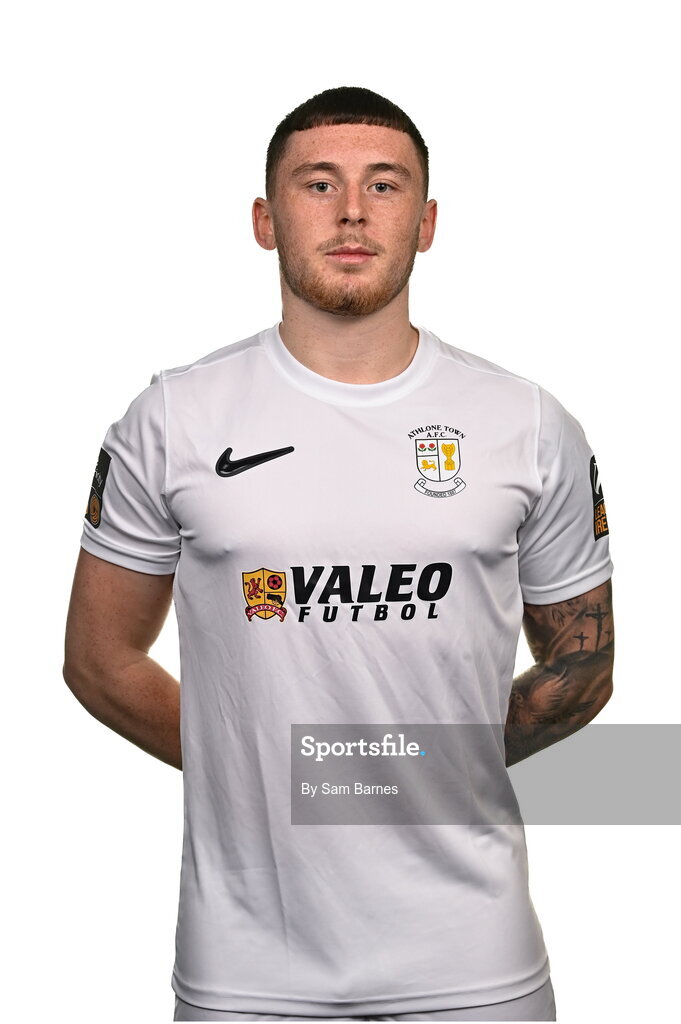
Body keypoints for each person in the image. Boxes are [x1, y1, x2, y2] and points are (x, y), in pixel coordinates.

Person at [63, 86, 614, 1022]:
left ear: (427, 221)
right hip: (247, 969)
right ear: (264, 219)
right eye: (318, 184)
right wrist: (270, 770)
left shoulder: (526, 424)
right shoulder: (174, 418)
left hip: (473, 964)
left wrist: (416, 768)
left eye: (384, 185)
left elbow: (585, 664)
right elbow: (99, 659)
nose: (352, 211)